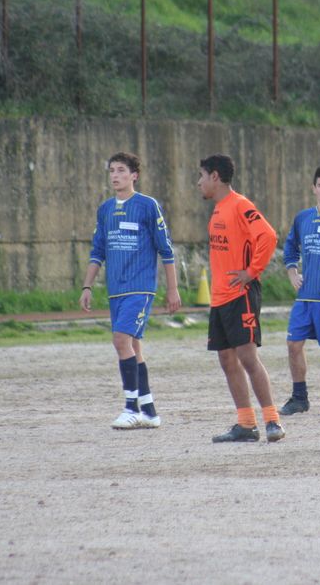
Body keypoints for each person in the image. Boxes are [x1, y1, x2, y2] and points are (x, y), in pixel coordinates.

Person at [79, 151, 181, 430]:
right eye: (112, 170)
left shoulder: (148, 205)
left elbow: (166, 250)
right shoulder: (105, 210)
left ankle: (130, 408)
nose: (115, 175)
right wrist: (87, 285)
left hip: (140, 288)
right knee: (133, 346)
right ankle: (149, 411)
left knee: (120, 340)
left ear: (134, 175)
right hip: (116, 290)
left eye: (121, 170)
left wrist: (172, 289)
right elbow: (97, 251)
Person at [198, 154, 285, 444]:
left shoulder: (240, 204)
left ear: (215, 176)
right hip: (220, 297)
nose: (198, 182)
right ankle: (246, 424)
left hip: (241, 294)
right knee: (226, 358)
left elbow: (268, 236)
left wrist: (251, 271)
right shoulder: (218, 209)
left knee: (247, 356)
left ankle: (272, 420)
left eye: (201, 176)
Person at [280, 166, 320, 416]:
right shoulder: (303, 218)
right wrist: (292, 272)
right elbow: (290, 248)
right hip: (306, 296)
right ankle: (299, 397)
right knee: (293, 344)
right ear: (313, 188)